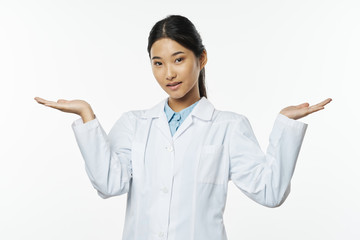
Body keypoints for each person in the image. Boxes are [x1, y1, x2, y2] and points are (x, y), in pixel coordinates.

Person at [34, 14, 332, 240]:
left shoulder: (228, 127)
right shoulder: (134, 124)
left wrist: (285, 125)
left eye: (179, 59)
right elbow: (109, 184)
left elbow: (269, 192)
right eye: (158, 63)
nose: (169, 73)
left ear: (201, 59)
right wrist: (87, 116)